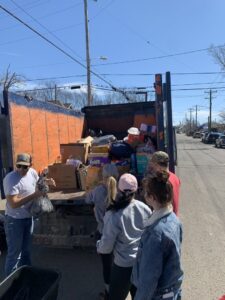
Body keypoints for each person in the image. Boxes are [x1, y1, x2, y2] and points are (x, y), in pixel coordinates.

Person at [97, 173, 152, 300]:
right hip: (141, 263)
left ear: (119, 190)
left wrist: (98, 245)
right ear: (136, 190)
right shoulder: (144, 208)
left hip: (123, 267)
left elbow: (106, 247)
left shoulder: (114, 214)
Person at [132, 171, 183, 300]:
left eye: (146, 192)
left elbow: (148, 279)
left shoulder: (155, 233)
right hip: (171, 289)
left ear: (152, 197)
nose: (144, 194)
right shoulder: (174, 219)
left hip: (159, 294)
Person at [3, 153, 55, 276]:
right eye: (19, 166)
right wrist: (34, 195)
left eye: (25, 166)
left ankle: (26, 276)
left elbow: (38, 182)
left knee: (26, 251)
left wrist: (48, 181)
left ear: (30, 165)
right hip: (14, 221)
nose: (21, 169)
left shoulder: (31, 172)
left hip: (28, 218)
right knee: (14, 254)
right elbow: (14, 204)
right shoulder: (10, 179)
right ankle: (10, 285)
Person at [85, 163, 119, 299]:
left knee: (107, 265)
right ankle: (120, 289)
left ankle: (108, 293)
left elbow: (87, 199)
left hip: (103, 233)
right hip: (117, 234)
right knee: (119, 264)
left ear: (103, 177)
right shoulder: (121, 192)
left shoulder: (98, 191)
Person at [148, 151, 180, 215]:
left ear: (158, 165)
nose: (152, 168)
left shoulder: (163, 182)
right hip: (174, 216)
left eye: (153, 165)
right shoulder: (175, 177)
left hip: (167, 218)